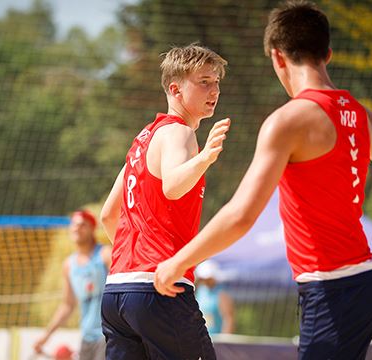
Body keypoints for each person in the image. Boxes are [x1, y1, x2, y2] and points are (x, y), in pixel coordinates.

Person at [154, 1, 372, 359]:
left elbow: (242, 215)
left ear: (278, 57)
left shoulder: (289, 121)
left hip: (331, 288)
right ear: (327, 53)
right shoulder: (356, 111)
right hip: (366, 284)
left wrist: (178, 262)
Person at [99, 43, 230, 360]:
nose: (214, 89)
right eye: (203, 82)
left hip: (117, 292)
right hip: (160, 288)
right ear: (175, 89)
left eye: (216, 82)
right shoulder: (179, 133)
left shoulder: (143, 139)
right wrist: (205, 159)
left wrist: (135, 263)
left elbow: (108, 215)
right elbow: (172, 186)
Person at [33, 210, 111, 360]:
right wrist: (45, 337)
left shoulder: (105, 255)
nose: (77, 228)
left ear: (92, 229)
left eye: (82, 225)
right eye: (74, 224)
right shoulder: (69, 265)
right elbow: (67, 305)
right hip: (87, 337)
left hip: (107, 334)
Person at [194, 260, 235, 335]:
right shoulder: (200, 291)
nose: (205, 280)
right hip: (202, 337)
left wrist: (225, 339)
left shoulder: (221, 294)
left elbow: (228, 318)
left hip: (217, 338)